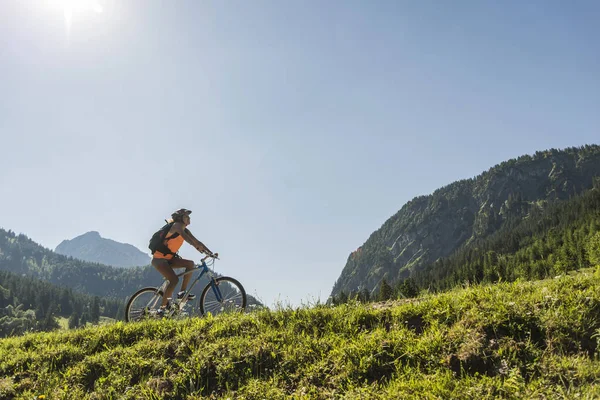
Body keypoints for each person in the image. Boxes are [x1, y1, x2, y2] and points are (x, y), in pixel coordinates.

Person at [151, 208, 216, 314]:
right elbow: (188, 239)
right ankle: (162, 309)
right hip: (159, 259)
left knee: (190, 264)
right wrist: (196, 247)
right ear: (181, 218)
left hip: (169, 259)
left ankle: (182, 293)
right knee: (174, 280)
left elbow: (196, 241)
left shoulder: (185, 229)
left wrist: (210, 253)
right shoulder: (177, 226)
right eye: (187, 216)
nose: (189, 218)